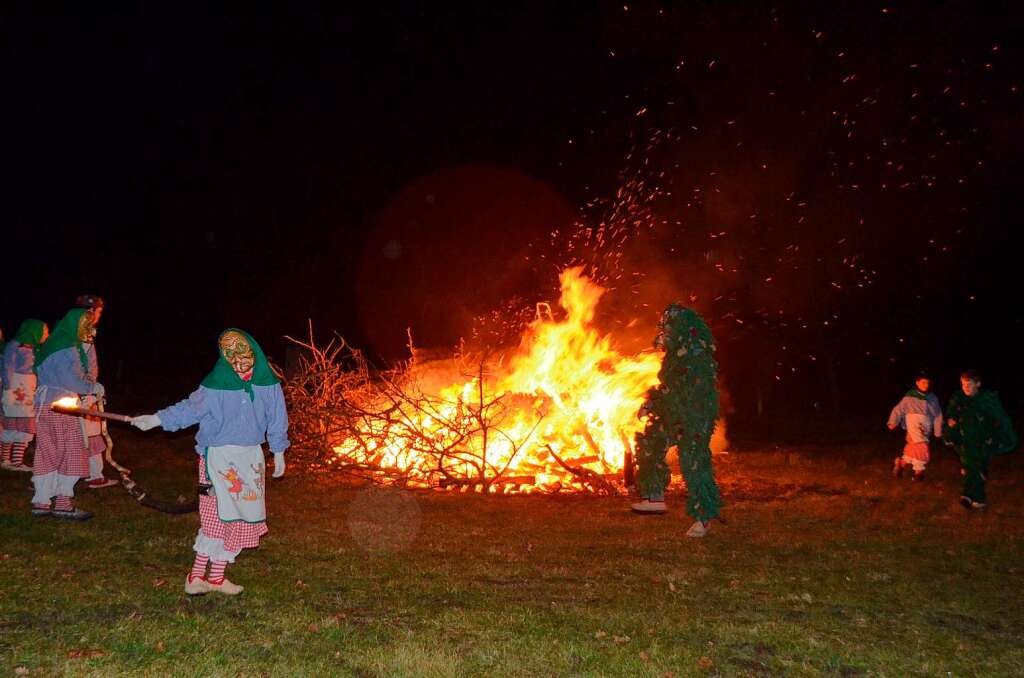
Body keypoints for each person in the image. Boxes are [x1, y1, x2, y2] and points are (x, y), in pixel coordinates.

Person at [132, 329, 289, 595]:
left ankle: (215, 578)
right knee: (216, 519)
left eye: (243, 353)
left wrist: (279, 450)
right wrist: (157, 419)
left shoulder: (268, 385)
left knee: (238, 519)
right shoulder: (215, 386)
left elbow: (277, 417)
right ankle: (195, 577)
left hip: (249, 460)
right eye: (231, 354)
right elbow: (189, 409)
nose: (238, 360)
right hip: (218, 459)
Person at [630, 304, 722, 538]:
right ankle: (655, 496)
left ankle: (704, 517)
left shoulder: (696, 353)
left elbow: (689, 389)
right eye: (664, 326)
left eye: (669, 326)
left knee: (693, 459)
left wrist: (672, 409)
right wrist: (652, 404)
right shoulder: (675, 353)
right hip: (675, 411)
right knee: (651, 441)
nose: (664, 331)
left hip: (694, 415)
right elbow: (670, 386)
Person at [32, 309, 104, 520]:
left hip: (45, 405)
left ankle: (42, 501)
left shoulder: (53, 344)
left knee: (48, 452)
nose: (88, 329)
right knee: (70, 452)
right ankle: (63, 502)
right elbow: (70, 380)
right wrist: (94, 388)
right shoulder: (66, 349)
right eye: (85, 324)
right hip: (63, 407)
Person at [943, 369, 1017, 510]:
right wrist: (951, 422)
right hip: (965, 440)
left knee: (977, 468)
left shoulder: (986, 401)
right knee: (970, 467)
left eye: (969, 384)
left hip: (983, 441)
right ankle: (975, 498)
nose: (966, 388)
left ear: (978, 384)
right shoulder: (959, 400)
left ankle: (971, 496)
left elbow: (1001, 418)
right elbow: (951, 415)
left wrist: (1008, 436)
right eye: (963, 384)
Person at [74, 295, 117, 488]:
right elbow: (80, 365)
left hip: (85, 390)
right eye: (98, 311)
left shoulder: (85, 334)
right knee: (86, 435)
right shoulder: (79, 335)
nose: (99, 315)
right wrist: (89, 389)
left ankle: (90, 473)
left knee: (89, 434)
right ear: (90, 312)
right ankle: (91, 475)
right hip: (81, 392)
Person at [2, 320, 49, 471]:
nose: (46, 335)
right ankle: (5, 460)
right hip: (16, 388)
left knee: (24, 426)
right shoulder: (14, 346)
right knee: (12, 424)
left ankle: (15, 461)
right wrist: (8, 388)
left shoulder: (37, 349)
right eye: (45, 331)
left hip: (29, 389)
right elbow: (7, 366)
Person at [887, 371, 943, 481]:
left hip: (925, 426)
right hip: (913, 424)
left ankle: (900, 464)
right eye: (923, 383)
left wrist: (938, 431)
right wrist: (893, 421)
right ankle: (919, 471)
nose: (925, 385)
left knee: (914, 447)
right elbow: (899, 409)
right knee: (922, 446)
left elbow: (937, 414)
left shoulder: (932, 398)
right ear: (917, 383)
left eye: (927, 383)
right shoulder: (910, 396)